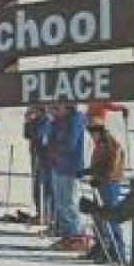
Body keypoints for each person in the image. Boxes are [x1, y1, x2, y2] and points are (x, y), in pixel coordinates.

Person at [82, 116, 127, 265]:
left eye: (93, 130)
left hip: (110, 185)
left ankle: (117, 251)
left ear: (100, 130)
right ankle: (101, 247)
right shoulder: (100, 144)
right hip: (101, 183)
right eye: (89, 130)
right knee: (98, 216)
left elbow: (113, 167)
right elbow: (99, 165)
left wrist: (100, 178)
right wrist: (87, 172)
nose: (91, 134)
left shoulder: (111, 144)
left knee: (110, 216)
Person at [49, 105, 90, 251]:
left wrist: (55, 147)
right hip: (58, 166)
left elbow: (70, 143)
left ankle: (77, 236)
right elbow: (49, 140)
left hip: (71, 167)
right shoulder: (56, 121)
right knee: (61, 203)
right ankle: (68, 235)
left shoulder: (75, 120)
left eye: (55, 108)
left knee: (70, 203)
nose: (52, 112)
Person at [23, 105, 54, 224]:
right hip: (36, 154)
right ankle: (41, 212)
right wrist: (28, 122)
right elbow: (27, 135)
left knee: (45, 186)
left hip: (45, 157)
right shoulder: (36, 120)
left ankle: (47, 214)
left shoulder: (47, 120)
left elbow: (39, 136)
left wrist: (31, 125)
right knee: (37, 185)